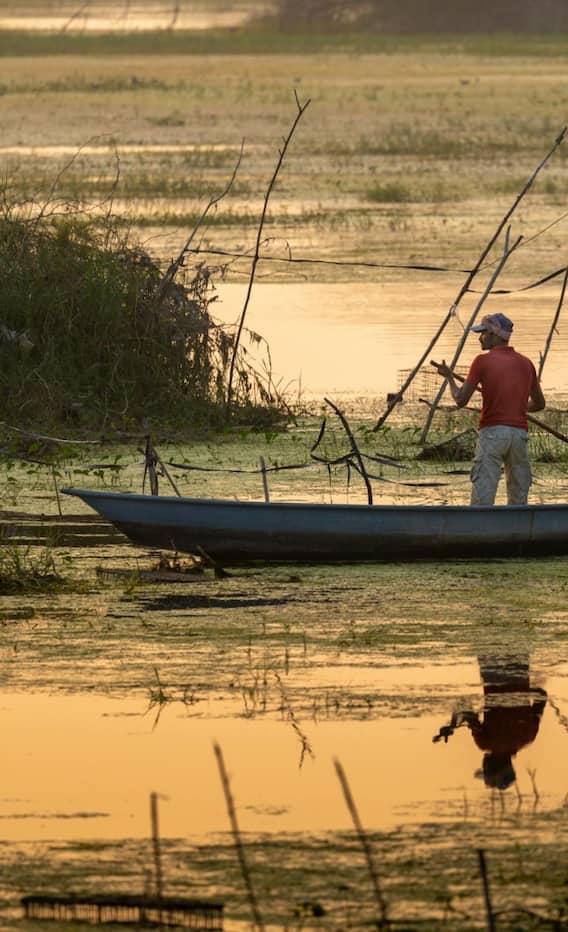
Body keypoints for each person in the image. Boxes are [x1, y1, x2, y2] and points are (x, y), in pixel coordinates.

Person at [432, 312, 546, 506]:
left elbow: (460, 399)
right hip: (519, 436)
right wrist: (515, 407)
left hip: (492, 434)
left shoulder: (482, 361)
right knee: (519, 500)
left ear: (495, 335)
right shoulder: (526, 363)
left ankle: (481, 532)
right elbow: (539, 404)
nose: (479, 338)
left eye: (483, 333)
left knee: (482, 498)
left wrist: (449, 378)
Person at [433, 651, 547, 791]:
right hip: (491, 669)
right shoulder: (485, 742)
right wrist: (451, 725)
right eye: (485, 769)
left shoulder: (528, 737)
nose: (483, 766)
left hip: (519, 668)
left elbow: (541, 695)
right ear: (493, 767)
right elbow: (464, 705)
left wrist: (519, 689)